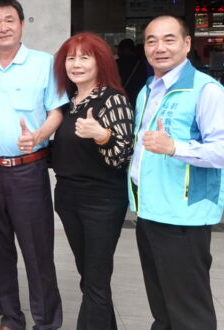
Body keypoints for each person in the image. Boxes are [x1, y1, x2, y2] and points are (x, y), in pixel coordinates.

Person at [0, 0, 66, 330]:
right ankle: (10, 318)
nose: (3, 27)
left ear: (22, 24)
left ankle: (46, 323)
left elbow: (56, 111)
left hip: (28, 171)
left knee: (38, 254)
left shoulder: (44, 63)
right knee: (1, 250)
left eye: (9, 20)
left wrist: (38, 136)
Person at [129, 15, 224, 329]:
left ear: (187, 44)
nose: (159, 47)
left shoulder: (206, 90)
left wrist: (174, 147)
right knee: (162, 307)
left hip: (183, 217)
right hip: (149, 211)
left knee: (189, 313)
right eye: (151, 41)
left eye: (169, 39)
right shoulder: (148, 90)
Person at [52, 33, 134, 330]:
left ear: (101, 62)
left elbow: (122, 156)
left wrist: (102, 135)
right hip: (68, 198)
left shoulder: (113, 100)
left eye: (85, 57)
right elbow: (68, 152)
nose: (76, 64)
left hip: (101, 202)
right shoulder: (70, 102)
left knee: (96, 280)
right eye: (71, 58)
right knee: (89, 277)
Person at [115, 38, 147, 104]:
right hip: (138, 98)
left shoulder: (115, 64)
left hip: (119, 98)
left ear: (121, 49)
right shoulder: (142, 64)